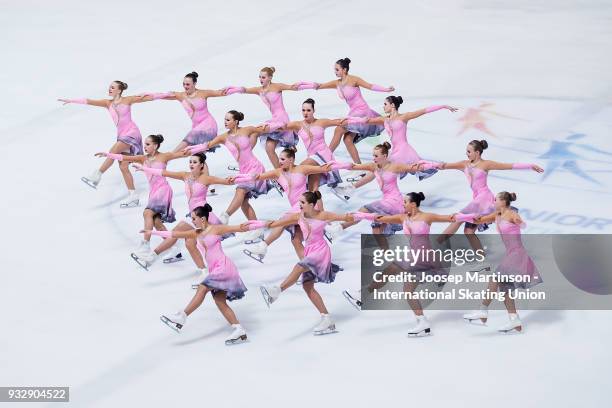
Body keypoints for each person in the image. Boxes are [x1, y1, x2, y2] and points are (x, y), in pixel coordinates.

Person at [154, 204, 254, 345]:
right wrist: (151, 232)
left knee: (202, 287)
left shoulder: (215, 229)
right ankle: (239, 330)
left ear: (202, 219)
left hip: (223, 267)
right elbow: (174, 234)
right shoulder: (197, 233)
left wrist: (261, 224)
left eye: (194, 218)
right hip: (216, 269)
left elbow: (238, 227)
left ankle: (182, 317)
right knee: (219, 301)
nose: (192, 220)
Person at [259, 192, 354, 336]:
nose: (299, 205)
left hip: (321, 251)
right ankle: (327, 319)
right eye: (300, 202)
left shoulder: (323, 215)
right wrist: (262, 224)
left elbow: (345, 217)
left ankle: (277, 290)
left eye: (302, 203)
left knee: (299, 267)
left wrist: (361, 215)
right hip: (310, 251)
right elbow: (277, 223)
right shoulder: (298, 216)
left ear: (311, 205)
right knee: (307, 286)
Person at [59, 80, 159, 207]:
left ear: (119, 90)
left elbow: (145, 98)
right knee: (123, 167)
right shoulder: (107, 103)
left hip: (132, 133)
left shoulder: (127, 100)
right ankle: (133, 196)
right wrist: (72, 100)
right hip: (121, 135)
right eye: (109, 87)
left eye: (112, 88)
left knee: (112, 153)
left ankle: (97, 175)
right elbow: (89, 101)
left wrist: (159, 94)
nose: (110, 89)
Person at [95, 134, 187, 260]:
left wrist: (204, 147)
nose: (145, 146)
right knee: (156, 223)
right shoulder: (143, 158)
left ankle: (145, 245)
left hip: (163, 190)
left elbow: (183, 153)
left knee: (147, 213)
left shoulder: (164, 156)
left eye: (148, 144)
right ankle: (174, 248)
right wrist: (108, 154)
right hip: (153, 192)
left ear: (155, 146)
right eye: (144, 144)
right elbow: (123, 157)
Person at [462, 192, 542, 333]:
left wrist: (520, 222)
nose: (493, 201)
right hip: (511, 253)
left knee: (495, 279)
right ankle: (514, 320)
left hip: (517, 254)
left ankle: (483, 310)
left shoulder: (511, 214)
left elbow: (521, 223)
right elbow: (479, 221)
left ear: (503, 202)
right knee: (506, 289)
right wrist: (460, 217)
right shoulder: (496, 215)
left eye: (496, 199)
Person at [345, 96, 457, 180]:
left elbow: (424, 111)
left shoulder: (404, 117)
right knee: (379, 168)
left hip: (405, 151)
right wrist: (349, 120)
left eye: (385, 104)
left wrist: (443, 106)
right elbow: (367, 120)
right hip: (396, 150)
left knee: (379, 167)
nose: (383, 106)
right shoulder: (385, 120)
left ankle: (452, 165)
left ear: (392, 105)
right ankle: (352, 187)